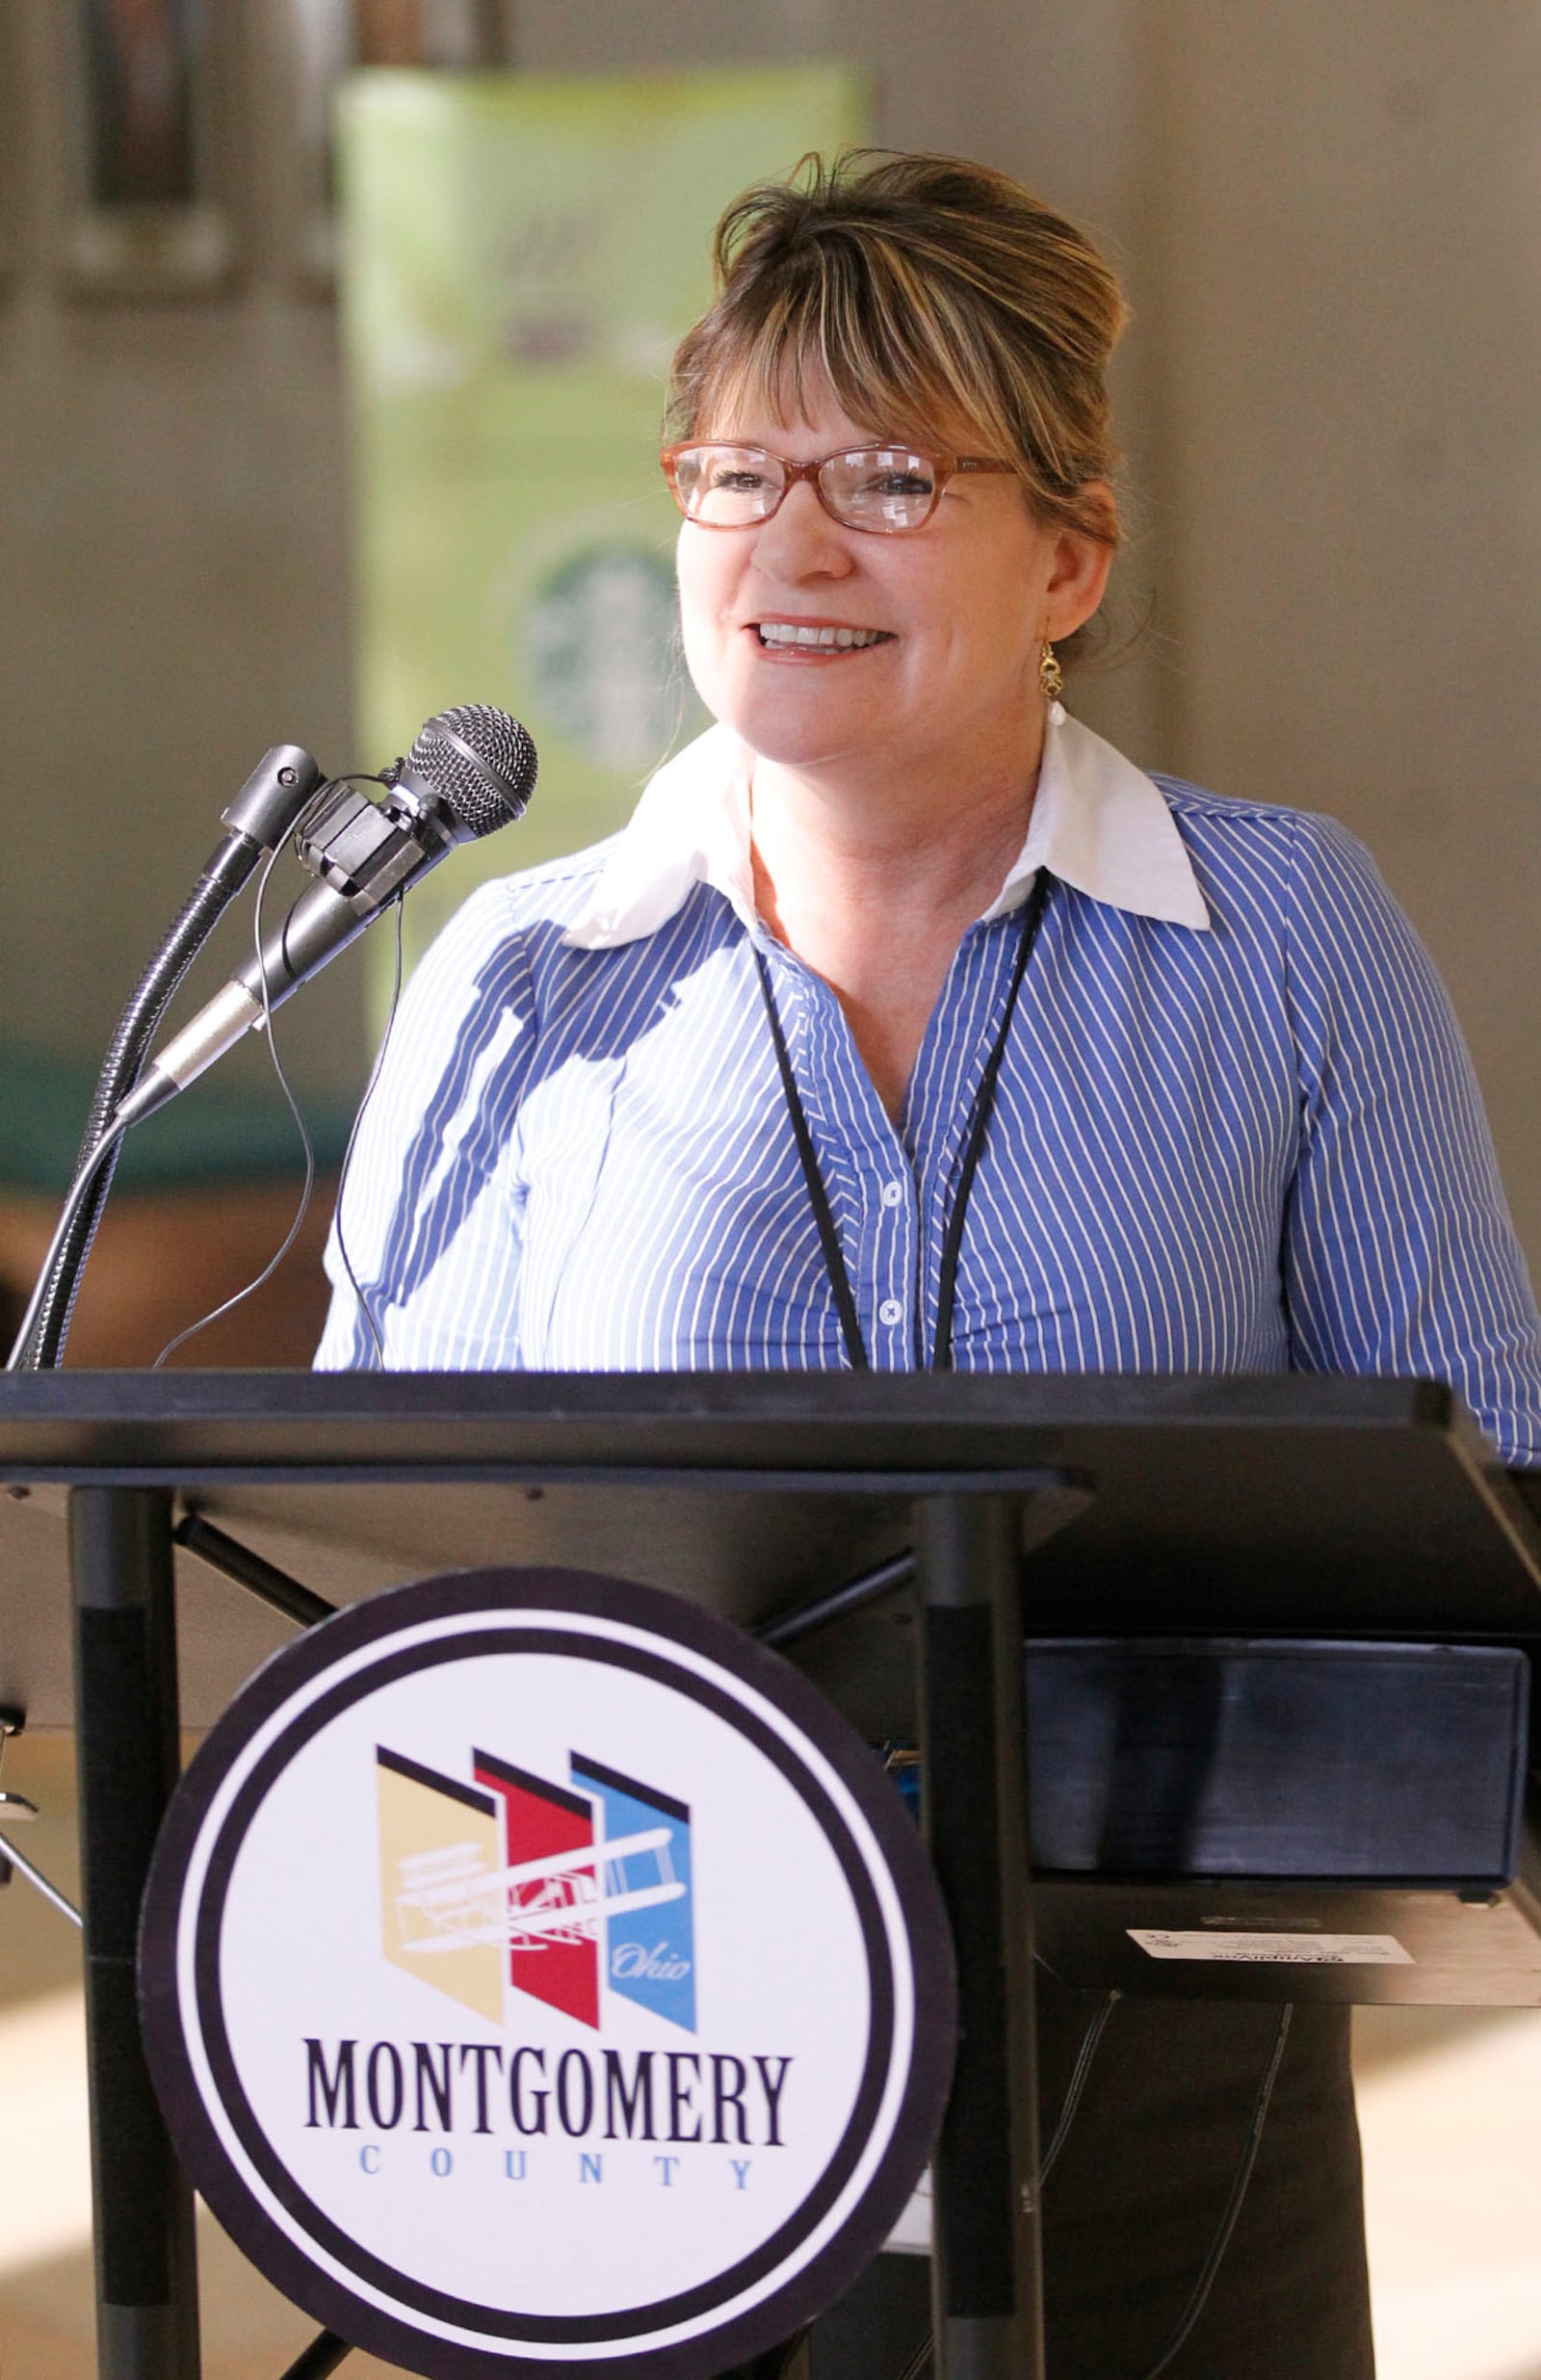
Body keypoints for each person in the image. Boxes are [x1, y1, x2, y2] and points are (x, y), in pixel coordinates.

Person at [318, 151, 1541, 2376]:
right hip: (620, 2079)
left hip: (1162, 2073)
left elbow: (1493, 1501)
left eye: (884, 475)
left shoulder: (1279, 941)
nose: (788, 543)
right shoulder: (512, 976)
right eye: (731, 473)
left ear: (1066, 554)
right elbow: (354, 1600)